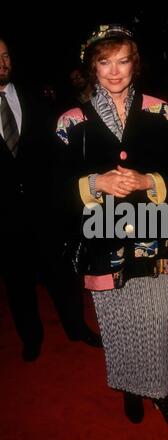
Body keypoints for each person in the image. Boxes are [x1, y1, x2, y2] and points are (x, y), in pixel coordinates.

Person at [54, 24, 168, 428]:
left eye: (123, 61)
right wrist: (95, 183)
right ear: (92, 67)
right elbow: (52, 187)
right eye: (105, 62)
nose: (114, 72)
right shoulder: (70, 121)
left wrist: (150, 181)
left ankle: (161, 392)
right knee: (117, 320)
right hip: (103, 237)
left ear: (135, 65)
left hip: (156, 231)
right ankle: (132, 388)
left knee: (158, 321)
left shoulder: (160, 109)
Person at [0, 37, 101, 362]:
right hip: (5, 215)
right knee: (18, 282)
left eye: (5, 55)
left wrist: (64, 200)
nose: (2, 63)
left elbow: (57, 154)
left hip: (46, 208)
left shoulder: (36, 96)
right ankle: (31, 338)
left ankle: (76, 327)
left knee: (61, 274)